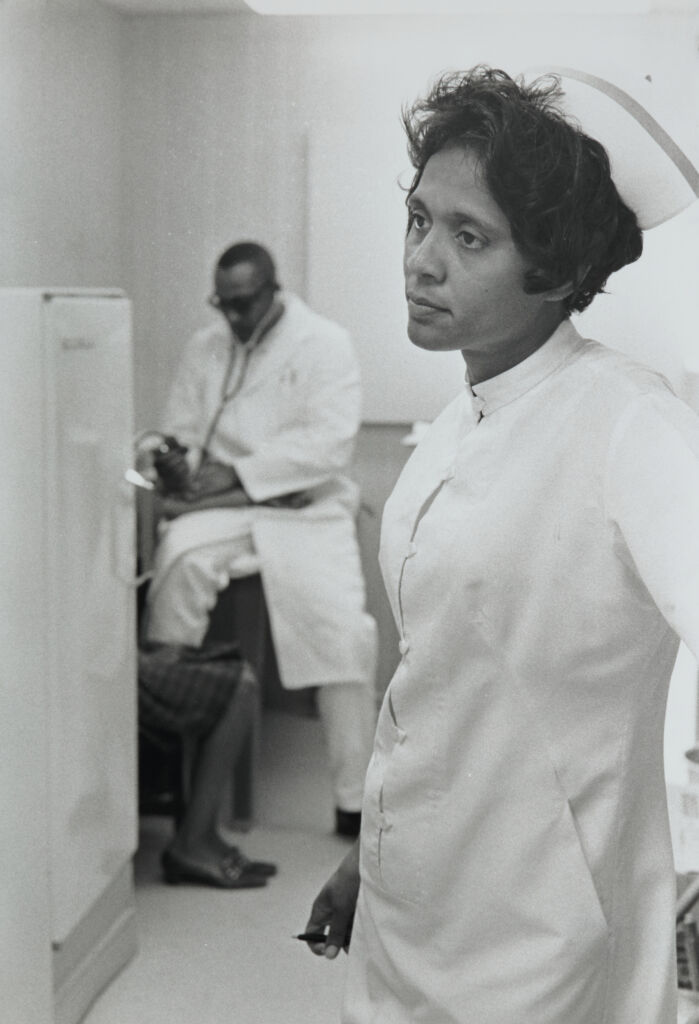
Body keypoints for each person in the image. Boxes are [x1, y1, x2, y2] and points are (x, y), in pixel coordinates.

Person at [303, 66, 699, 1023]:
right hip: (414, 899)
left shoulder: (627, 422)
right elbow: (436, 678)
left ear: (558, 271)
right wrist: (372, 851)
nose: (421, 260)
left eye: (467, 236)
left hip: (542, 929)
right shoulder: (453, 425)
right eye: (418, 219)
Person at [143, 241, 378, 839]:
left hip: (306, 508)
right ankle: (168, 769)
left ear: (274, 290)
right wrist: (176, 463)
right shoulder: (206, 348)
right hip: (227, 509)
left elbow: (328, 446)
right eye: (224, 305)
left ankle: (354, 799)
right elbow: (181, 431)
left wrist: (244, 476)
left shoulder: (325, 344)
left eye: (245, 304)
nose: (234, 317)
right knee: (177, 563)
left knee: (343, 633)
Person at [138, 642, 277, 888]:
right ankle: (192, 843)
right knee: (241, 688)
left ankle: (205, 836)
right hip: (116, 663)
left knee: (241, 671)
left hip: (123, 651)